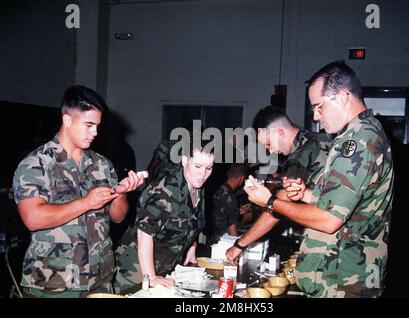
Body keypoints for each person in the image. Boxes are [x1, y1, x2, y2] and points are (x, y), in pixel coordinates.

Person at [241, 61, 394, 298]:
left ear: (343, 97)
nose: (314, 116)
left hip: (342, 280)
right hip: (343, 276)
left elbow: (329, 220)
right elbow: (342, 203)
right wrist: (304, 194)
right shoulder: (357, 134)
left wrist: (270, 202)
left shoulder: (357, 142)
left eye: (319, 107)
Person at [12, 85, 144, 298]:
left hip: (99, 279)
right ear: (67, 120)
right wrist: (86, 203)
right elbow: (33, 218)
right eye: (89, 125)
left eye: (97, 126)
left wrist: (121, 192)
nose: (95, 133)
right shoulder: (37, 164)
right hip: (54, 284)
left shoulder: (102, 164)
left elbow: (118, 217)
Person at [225, 105, 332, 263]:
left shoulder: (298, 157)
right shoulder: (320, 139)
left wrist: (239, 245)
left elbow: (277, 209)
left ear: (280, 131)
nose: (271, 151)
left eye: (268, 144)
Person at [113, 138, 214, 293]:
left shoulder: (197, 187)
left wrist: (192, 246)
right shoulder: (164, 191)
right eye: (198, 166)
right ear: (185, 160)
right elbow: (144, 234)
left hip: (165, 266)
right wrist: (151, 277)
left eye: (209, 168)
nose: (203, 174)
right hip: (136, 270)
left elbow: (193, 220)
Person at [207, 164, 247, 245]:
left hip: (211, 238)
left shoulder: (219, 189)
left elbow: (221, 213)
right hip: (221, 243)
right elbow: (232, 233)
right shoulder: (230, 197)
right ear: (242, 178)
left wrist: (238, 211)